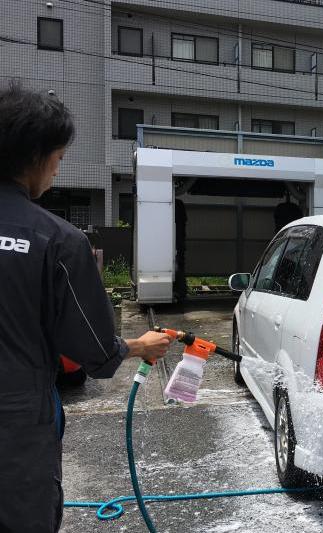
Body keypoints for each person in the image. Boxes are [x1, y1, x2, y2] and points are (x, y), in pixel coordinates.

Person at [0, 85, 173, 532]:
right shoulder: (56, 241)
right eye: (58, 158)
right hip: (15, 424)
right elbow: (95, 352)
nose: (57, 170)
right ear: (37, 155)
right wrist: (140, 346)